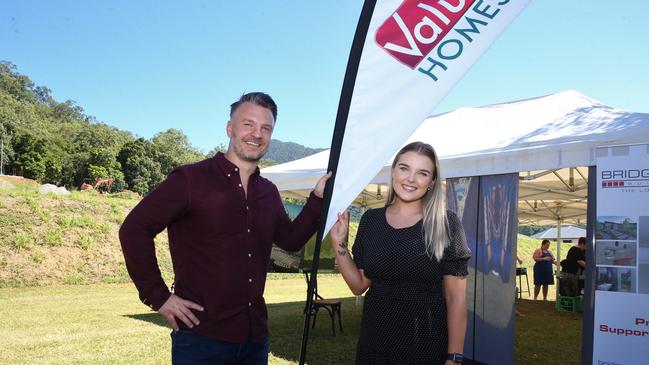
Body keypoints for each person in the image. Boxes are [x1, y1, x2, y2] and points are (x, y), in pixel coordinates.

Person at [119, 92, 331, 365]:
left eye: (266, 128)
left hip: (255, 339)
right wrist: (158, 297)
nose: (257, 133)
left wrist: (316, 200)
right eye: (248, 124)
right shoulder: (190, 179)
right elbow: (134, 229)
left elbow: (290, 240)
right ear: (230, 128)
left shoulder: (268, 191)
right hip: (201, 339)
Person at [329, 142, 471, 365]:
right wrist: (340, 245)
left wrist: (454, 358)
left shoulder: (446, 223)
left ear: (432, 182)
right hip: (374, 344)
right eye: (404, 168)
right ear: (393, 170)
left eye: (422, 173)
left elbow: (456, 298)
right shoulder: (371, 220)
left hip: (425, 346)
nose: (410, 179)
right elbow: (359, 285)